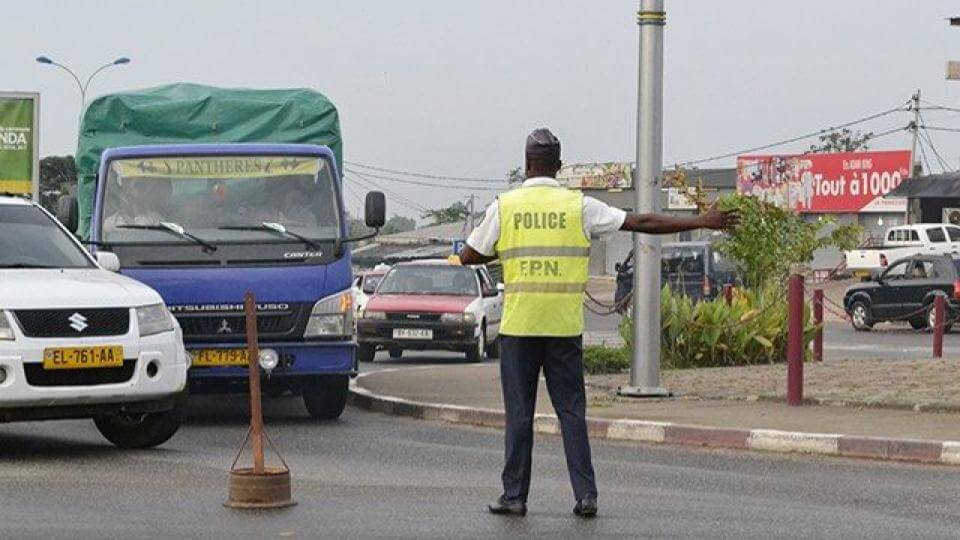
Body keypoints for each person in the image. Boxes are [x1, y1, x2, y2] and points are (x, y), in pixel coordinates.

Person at [459, 128, 739, 519]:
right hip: (563, 328)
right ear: (558, 166)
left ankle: (514, 496)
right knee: (571, 412)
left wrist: (487, 252)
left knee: (519, 415)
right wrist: (702, 219)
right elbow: (641, 221)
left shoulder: (505, 206)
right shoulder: (579, 206)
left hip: (519, 328)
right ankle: (586, 496)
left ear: (526, 165)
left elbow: (471, 254)